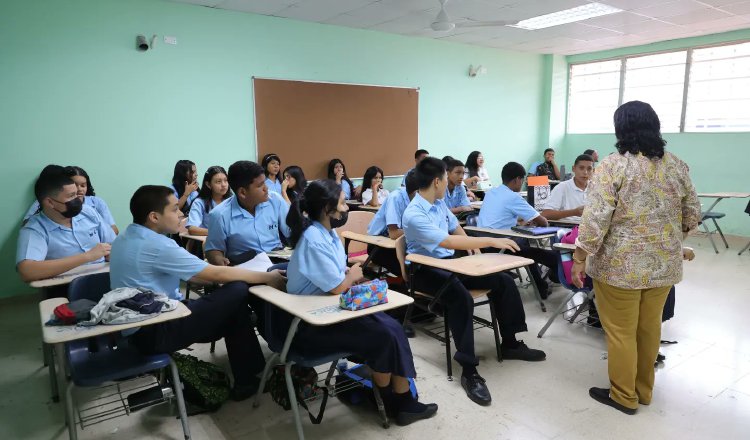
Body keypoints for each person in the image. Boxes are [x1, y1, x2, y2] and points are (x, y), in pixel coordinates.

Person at [570, 101, 701, 415]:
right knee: (649, 329)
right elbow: (693, 214)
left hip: (620, 269)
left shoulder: (613, 166)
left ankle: (623, 396)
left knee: (621, 332)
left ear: (621, 129)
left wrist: (579, 257)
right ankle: (644, 391)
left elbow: (595, 219)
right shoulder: (677, 165)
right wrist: (667, 240)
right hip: (663, 268)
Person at [110, 185, 286, 401]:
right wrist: (268, 277)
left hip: (138, 328)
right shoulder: (157, 244)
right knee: (238, 289)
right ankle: (265, 361)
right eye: (175, 210)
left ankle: (247, 381)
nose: (181, 215)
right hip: (157, 330)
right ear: (154, 217)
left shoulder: (128, 235)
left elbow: (195, 276)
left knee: (234, 308)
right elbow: (215, 274)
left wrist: (224, 279)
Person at [285, 179, 438, 426]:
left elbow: (337, 276)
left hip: (333, 311)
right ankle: (396, 401)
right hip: (312, 324)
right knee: (385, 334)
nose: (346, 209)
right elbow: (337, 285)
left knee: (392, 327)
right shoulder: (313, 238)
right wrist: (353, 274)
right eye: (343, 203)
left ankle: (400, 400)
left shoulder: (326, 233)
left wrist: (349, 273)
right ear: (327, 208)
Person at [403, 157, 546, 407]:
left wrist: (477, 256)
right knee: (460, 297)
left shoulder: (437, 204)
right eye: (446, 178)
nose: (448, 182)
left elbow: (457, 231)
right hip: (425, 271)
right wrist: (488, 242)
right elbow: (446, 242)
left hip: (451, 264)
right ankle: (469, 371)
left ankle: (511, 342)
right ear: (437, 181)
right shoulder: (414, 213)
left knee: (503, 280)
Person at [16, 167, 116, 288]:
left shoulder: (88, 212)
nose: (78, 199)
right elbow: (27, 271)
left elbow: (113, 243)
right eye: (71, 196)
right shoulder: (35, 229)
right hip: (65, 286)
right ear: (50, 202)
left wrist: (113, 252)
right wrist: (87, 257)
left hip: (106, 278)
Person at [477, 162, 560, 298]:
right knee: (551, 257)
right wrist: (533, 222)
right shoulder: (513, 197)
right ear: (517, 179)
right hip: (502, 246)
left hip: (483, 244)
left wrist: (521, 223)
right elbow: (543, 222)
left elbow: (500, 218)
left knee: (528, 249)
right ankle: (546, 284)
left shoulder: (491, 192)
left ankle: (541, 287)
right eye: (522, 180)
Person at [205, 161, 290, 265]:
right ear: (242, 193)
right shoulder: (220, 214)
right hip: (246, 266)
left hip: (277, 259)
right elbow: (213, 249)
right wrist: (219, 259)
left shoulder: (275, 200)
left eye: (265, 182)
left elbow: (291, 230)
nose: (266, 188)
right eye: (260, 185)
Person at [24, 166, 118, 234]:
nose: (79, 189)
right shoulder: (44, 205)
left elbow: (113, 232)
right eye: (74, 185)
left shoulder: (91, 208)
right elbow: (27, 227)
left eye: (83, 185)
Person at [366, 170, 418, 276]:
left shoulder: (417, 198)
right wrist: (421, 232)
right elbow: (393, 233)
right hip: (379, 246)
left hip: (402, 243)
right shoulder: (395, 197)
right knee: (412, 272)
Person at [540, 154, 594, 222]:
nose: (585, 172)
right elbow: (546, 214)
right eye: (581, 168)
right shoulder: (562, 187)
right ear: (573, 169)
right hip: (568, 228)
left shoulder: (596, 189)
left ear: (593, 171)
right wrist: (574, 212)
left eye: (589, 169)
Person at [186, 166, 232, 236]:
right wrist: (219, 233)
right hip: (208, 241)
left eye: (226, 180)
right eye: (218, 182)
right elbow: (192, 229)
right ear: (208, 184)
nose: (224, 185)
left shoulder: (232, 200)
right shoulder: (199, 202)